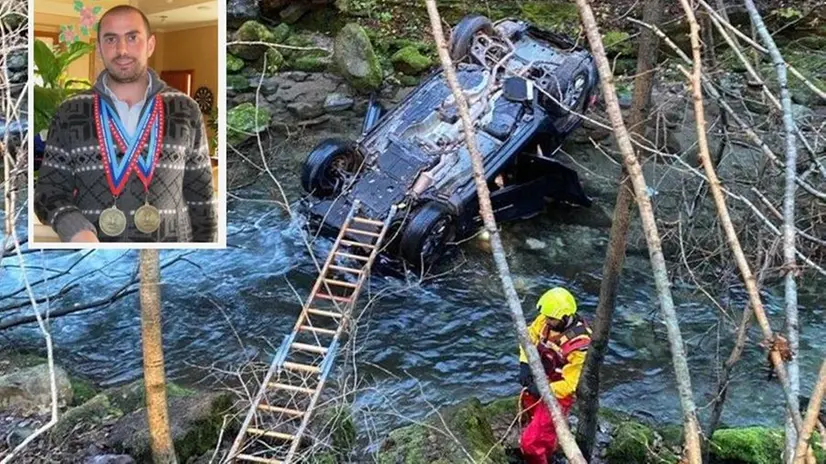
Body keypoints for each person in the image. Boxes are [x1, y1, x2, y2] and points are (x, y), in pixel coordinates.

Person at [34, 5, 216, 243]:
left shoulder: (185, 109)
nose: (121, 50)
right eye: (111, 39)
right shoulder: (69, 112)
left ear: (150, 45)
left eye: (132, 37)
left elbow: (201, 200)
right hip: (96, 261)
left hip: (172, 258)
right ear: (99, 48)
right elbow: (48, 193)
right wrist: (76, 229)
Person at [517, 287, 592, 464]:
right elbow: (529, 336)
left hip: (558, 394)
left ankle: (542, 458)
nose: (546, 321)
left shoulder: (580, 344)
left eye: (551, 319)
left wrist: (543, 390)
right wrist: (524, 364)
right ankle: (549, 443)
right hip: (542, 378)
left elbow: (570, 385)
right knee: (532, 414)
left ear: (565, 317)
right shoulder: (547, 319)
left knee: (530, 444)